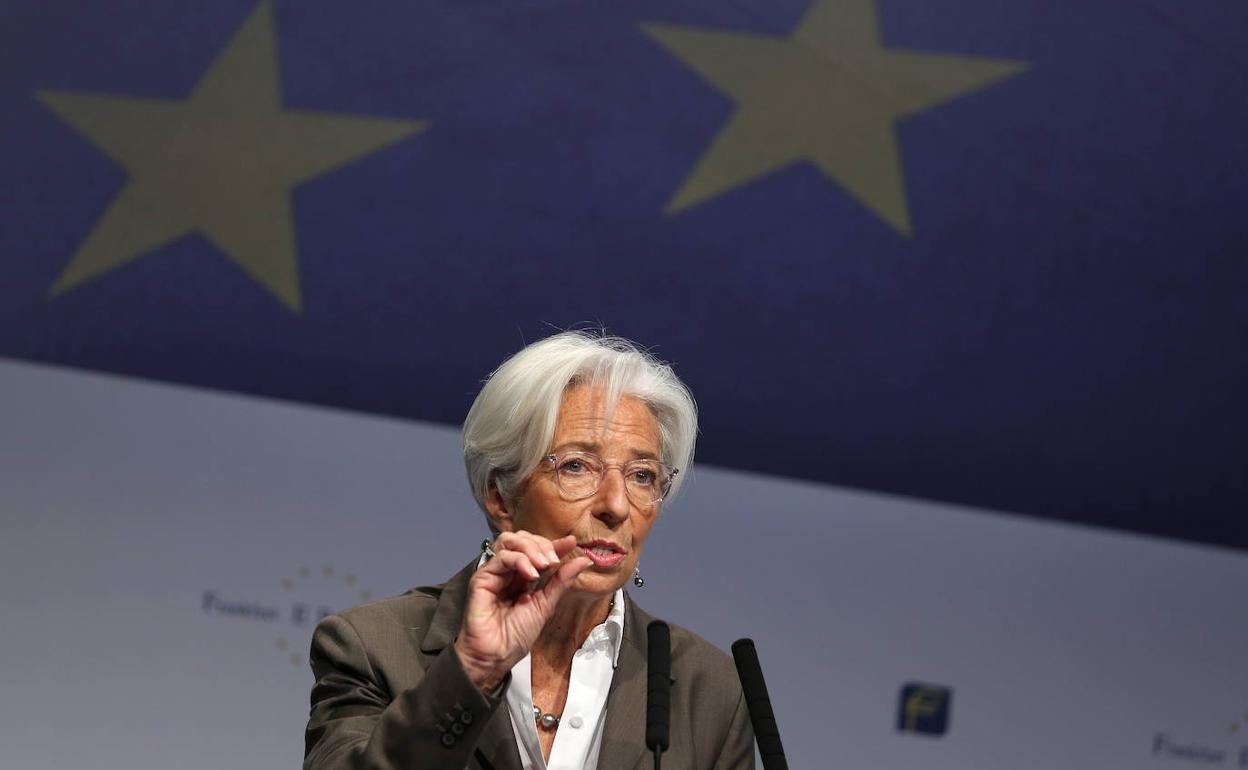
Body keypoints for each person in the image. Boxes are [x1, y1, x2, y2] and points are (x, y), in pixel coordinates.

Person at [303, 331, 755, 770]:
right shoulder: (372, 646)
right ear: (500, 496)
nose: (617, 506)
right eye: (576, 466)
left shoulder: (709, 690)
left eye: (642, 475)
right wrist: (473, 670)